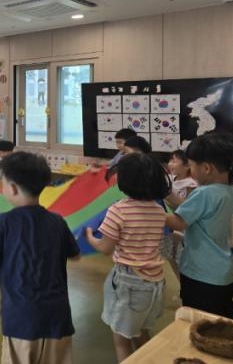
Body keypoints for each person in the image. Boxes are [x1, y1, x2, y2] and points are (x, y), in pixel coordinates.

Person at [0, 152, 80, 364]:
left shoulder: (3, 223)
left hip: (20, 320)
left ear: (13, 188)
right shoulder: (57, 222)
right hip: (57, 318)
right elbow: (75, 254)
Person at [86, 153, 169, 362]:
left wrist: (89, 237)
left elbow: (105, 248)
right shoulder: (159, 210)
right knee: (141, 332)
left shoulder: (118, 210)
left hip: (129, 281)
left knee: (121, 339)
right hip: (155, 281)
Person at [165, 132, 233, 321]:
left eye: (191, 166)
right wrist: (167, 196)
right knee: (222, 317)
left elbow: (178, 222)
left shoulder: (204, 193)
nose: (190, 170)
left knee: (202, 324)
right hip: (222, 272)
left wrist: (149, 211)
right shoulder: (227, 191)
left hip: (201, 273)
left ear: (206, 168)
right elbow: (190, 212)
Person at [160, 150, 197, 279]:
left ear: (187, 166)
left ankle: (187, 282)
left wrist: (172, 199)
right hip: (171, 225)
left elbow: (190, 207)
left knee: (182, 258)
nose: (170, 164)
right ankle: (181, 281)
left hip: (183, 226)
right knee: (171, 255)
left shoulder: (191, 184)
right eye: (170, 160)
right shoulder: (170, 179)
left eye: (175, 161)